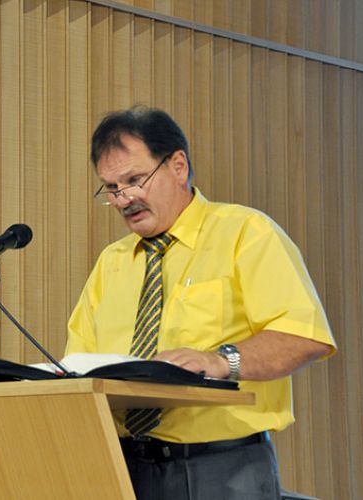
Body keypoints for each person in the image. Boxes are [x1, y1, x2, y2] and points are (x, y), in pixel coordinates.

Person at [66, 106, 336, 500]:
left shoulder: (245, 232)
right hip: (125, 467)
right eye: (111, 188)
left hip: (221, 468)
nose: (124, 199)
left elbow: (303, 337)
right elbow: (79, 366)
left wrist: (221, 361)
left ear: (178, 166)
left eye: (135, 180)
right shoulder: (112, 262)